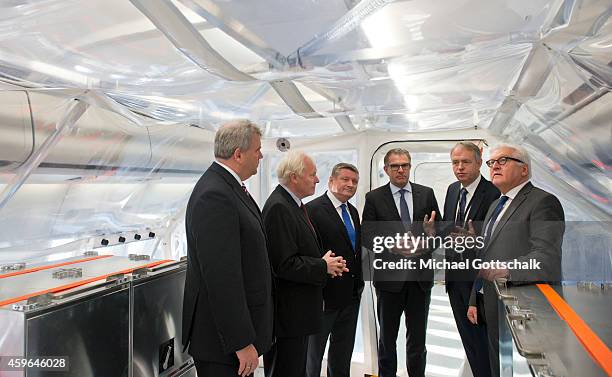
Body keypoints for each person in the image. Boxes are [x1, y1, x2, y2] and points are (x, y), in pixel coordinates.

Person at [181, 120, 272, 377]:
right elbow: (221, 278)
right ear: (238, 154)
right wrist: (241, 342)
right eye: (257, 150)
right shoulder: (215, 195)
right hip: (221, 344)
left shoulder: (230, 188)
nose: (261, 156)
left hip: (230, 340)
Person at [467, 144, 565, 377]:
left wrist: (508, 269)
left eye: (503, 160)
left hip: (523, 309)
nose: (495, 166)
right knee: (498, 368)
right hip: (490, 301)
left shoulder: (543, 202)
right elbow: (487, 255)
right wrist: (475, 297)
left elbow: (546, 258)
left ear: (524, 169)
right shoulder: (496, 205)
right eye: (492, 163)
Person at [263, 151, 348, 377]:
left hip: (298, 315)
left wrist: (326, 263)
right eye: (312, 175)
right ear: (294, 177)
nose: (317, 180)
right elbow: (283, 264)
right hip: (288, 317)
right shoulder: (279, 207)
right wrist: (323, 266)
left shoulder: (295, 205)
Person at [363, 148, 440, 377]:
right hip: (389, 282)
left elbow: (439, 233)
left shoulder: (426, 194)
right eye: (395, 166)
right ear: (386, 169)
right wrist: (392, 246)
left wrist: (431, 234)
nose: (400, 170)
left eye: (405, 165)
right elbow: (367, 236)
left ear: (410, 167)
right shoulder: (374, 198)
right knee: (387, 340)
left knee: (418, 341)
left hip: (420, 280)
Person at [441, 142, 499, 377]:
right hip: (455, 280)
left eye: (465, 162)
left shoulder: (493, 193)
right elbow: (449, 231)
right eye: (455, 162)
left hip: (479, 283)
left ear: (478, 162)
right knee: (469, 342)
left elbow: (496, 243)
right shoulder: (453, 190)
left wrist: (477, 240)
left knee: (483, 343)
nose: (460, 167)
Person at [306, 163, 364, 377]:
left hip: (350, 296)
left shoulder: (353, 212)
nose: (350, 184)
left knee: (342, 355)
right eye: (345, 179)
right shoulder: (312, 210)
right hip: (324, 298)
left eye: (354, 181)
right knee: (312, 357)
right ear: (331, 181)